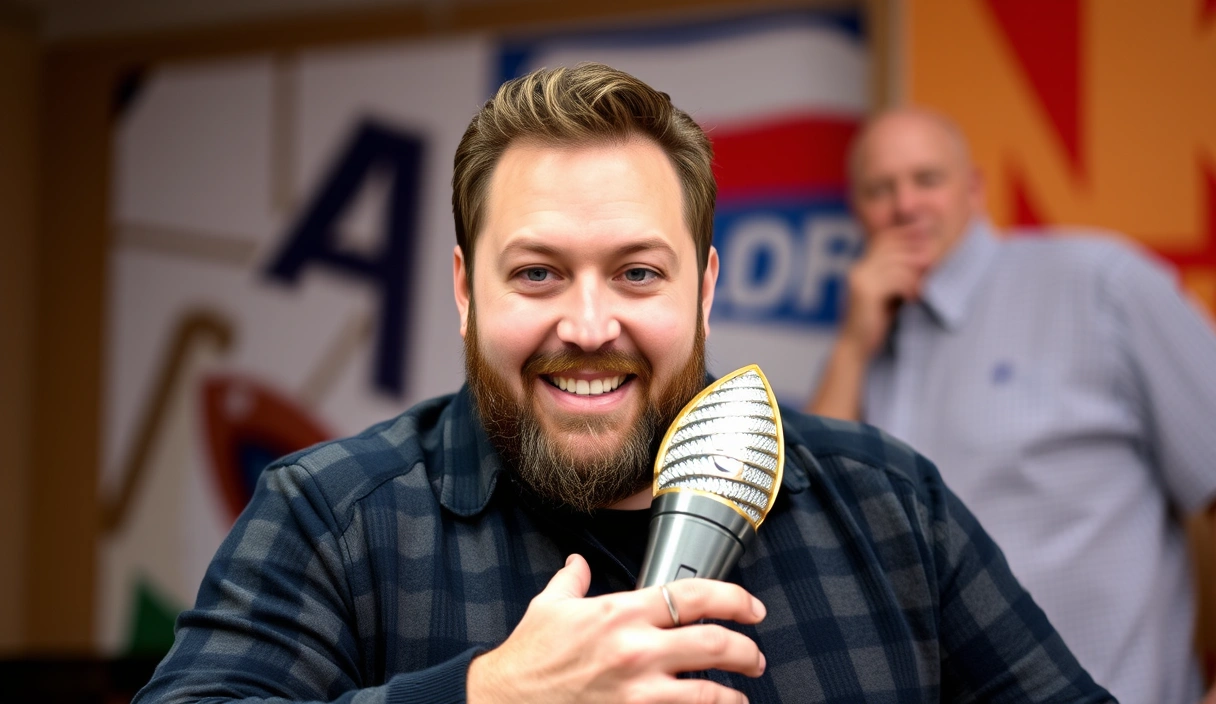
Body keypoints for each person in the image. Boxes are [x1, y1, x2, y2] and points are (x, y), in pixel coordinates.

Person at [134, 65, 1113, 704]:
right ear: (465, 291)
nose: (590, 325)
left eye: (639, 273)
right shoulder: (332, 516)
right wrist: (486, 694)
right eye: (537, 273)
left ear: (706, 289)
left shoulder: (889, 502)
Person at [808, 106, 1216, 704]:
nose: (905, 205)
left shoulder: (1100, 283)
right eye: (879, 190)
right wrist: (851, 345)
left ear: (974, 189)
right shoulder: (865, 338)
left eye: (927, 179)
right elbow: (812, 517)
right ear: (857, 210)